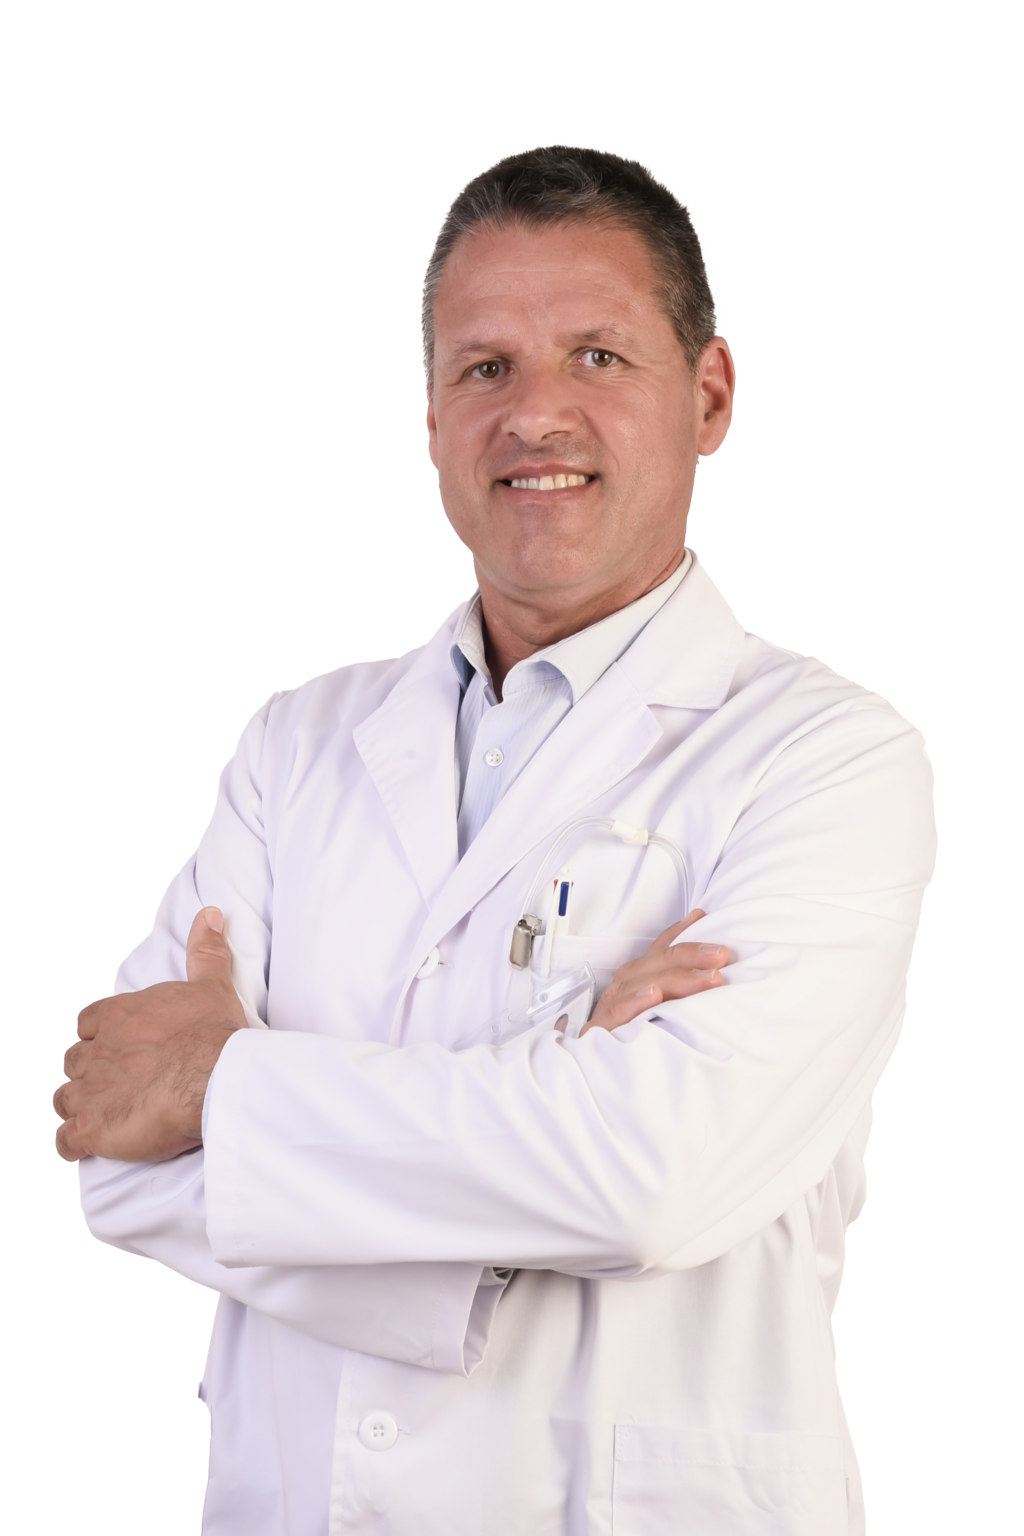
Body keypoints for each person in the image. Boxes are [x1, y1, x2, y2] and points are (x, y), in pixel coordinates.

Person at [52, 143, 938, 1535]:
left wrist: (224, 1086)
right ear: (430, 418)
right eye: (485, 368)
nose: (535, 414)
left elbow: (651, 1180)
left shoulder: (828, 757)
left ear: (711, 394)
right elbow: (117, 1155)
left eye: (598, 356)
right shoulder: (298, 743)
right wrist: (564, 1078)